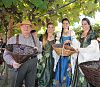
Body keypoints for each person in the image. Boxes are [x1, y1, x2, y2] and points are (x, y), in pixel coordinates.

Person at [3, 20, 42, 87]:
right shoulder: (13, 39)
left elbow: (40, 51)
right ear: (20, 27)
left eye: (28, 26)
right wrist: (12, 62)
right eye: (24, 26)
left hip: (32, 64)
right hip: (18, 64)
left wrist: (37, 50)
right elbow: (6, 54)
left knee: (30, 85)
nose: (26, 28)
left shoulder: (36, 39)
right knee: (16, 84)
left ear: (31, 28)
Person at [54, 18, 77, 87]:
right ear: (62, 25)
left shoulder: (71, 32)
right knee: (59, 70)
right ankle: (58, 85)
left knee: (67, 71)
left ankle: (66, 85)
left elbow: (75, 43)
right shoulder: (59, 33)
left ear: (69, 24)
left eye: (67, 23)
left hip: (68, 56)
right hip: (61, 56)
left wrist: (69, 41)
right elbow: (57, 44)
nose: (65, 25)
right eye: (64, 23)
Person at [76, 18, 97, 87]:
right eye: (82, 24)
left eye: (85, 24)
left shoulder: (92, 33)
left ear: (89, 24)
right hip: (80, 57)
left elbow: (94, 48)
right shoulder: (81, 34)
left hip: (88, 58)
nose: (83, 26)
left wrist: (81, 50)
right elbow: (79, 45)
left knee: (88, 76)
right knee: (79, 75)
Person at [38, 22, 55, 87]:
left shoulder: (56, 37)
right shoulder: (42, 37)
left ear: (53, 29)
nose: (50, 29)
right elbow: (39, 48)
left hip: (52, 59)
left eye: (52, 27)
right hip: (43, 59)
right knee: (42, 74)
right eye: (49, 27)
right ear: (47, 28)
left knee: (50, 74)